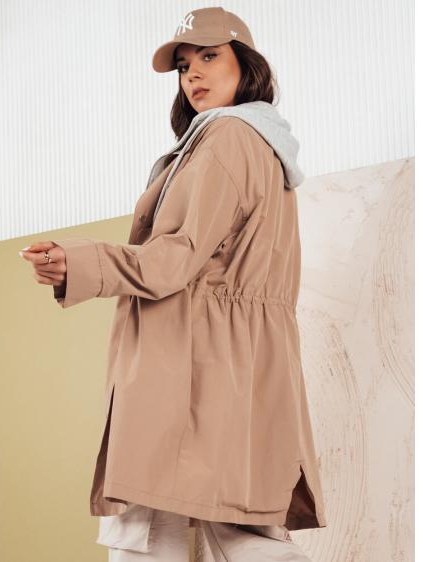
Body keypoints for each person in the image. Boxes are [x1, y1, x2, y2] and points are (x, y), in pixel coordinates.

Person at [19, 6, 327, 561]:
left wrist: (79, 263)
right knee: (235, 529)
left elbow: (172, 260)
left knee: (143, 531)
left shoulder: (227, 137)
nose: (194, 74)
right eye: (185, 66)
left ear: (248, 65)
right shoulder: (267, 148)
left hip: (188, 362)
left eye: (209, 56)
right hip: (243, 364)